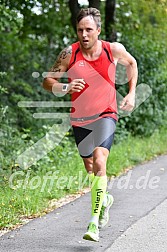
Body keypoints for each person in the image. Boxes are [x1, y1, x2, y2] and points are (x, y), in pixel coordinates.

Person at [43, 7, 138, 242]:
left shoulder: (112, 50)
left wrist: (131, 93)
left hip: (106, 114)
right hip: (80, 118)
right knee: (89, 167)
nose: (83, 35)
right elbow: (48, 80)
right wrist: (65, 87)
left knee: (99, 160)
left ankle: (94, 222)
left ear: (98, 30)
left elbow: (132, 63)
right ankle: (104, 198)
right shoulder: (69, 53)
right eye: (79, 30)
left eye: (88, 30)